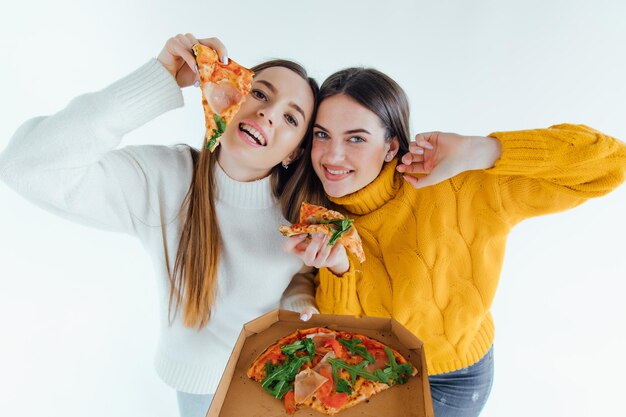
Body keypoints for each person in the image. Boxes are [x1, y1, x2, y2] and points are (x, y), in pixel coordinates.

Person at [0, 34, 320, 417]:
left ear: (295, 151)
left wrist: (300, 305)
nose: (268, 113)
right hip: (203, 393)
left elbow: (300, 277)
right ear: (230, 94)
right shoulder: (166, 179)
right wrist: (160, 78)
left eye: (290, 117)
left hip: (279, 386)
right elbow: (27, 165)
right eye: (261, 94)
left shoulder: (300, 213)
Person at [283, 67, 626, 416]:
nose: (332, 156)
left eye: (356, 138)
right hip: (379, 369)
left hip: (454, 375)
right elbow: (347, 343)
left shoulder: (460, 185)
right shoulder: (318, 214)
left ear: (392, 147)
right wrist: (338, 269)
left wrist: (482, 149)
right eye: (322, 135)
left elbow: (611, 164)